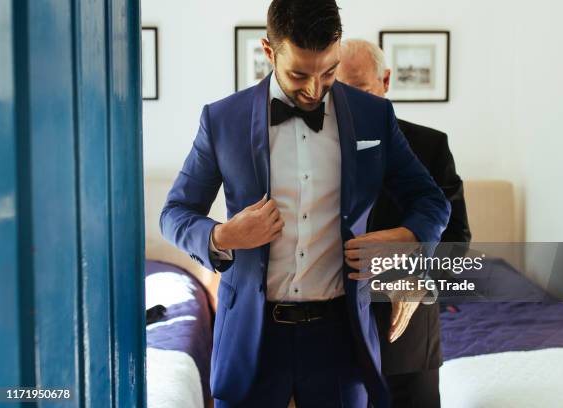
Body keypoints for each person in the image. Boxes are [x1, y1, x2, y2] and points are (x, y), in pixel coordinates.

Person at [160, 1, 450, 406]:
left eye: (328, 72)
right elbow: (173, 214)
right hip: (252, 338)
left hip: (339, 339)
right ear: (268, 51)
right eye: (299, 74)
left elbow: (432, 201)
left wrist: (404, 240)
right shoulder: (221, 120)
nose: (315, 89)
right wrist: (222, 235)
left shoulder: (373, 116)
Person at [337, 39, 472, 407]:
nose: (350, 103)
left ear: (385, 81)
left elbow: (457, 240)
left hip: (408, 339)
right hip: (332, 336)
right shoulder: (316, 150)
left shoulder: (430, 147)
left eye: (361, 90)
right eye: (340, 91)